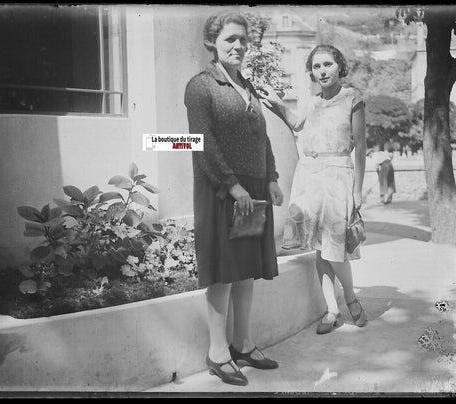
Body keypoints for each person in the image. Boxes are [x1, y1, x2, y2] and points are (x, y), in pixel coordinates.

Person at [184, 12, 284, 386]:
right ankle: (217, 352)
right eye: (230, 40)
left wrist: (271, 178)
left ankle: (243, 343)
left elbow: (263, 137)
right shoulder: (201, 86)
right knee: (225, 273)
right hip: (222, 189)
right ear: (212, 42)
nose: (238, 46)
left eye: (242, 40)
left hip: (254, 188)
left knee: (247, 270)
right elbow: (202, 143)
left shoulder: (248, 87)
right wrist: (233, 186)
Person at [260, 44, 368, 335]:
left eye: (328, 65)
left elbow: (361, 150)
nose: (322, 71)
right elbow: (297, 124)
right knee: (320, 249)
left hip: (339, 178)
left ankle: (350, 296)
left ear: (339, 66)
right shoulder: (312, 101)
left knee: (336, 249)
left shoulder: (352, 99)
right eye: (317, 66)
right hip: (311, 177)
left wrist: (358, 189)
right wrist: (277, 105)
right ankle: (331, 309)